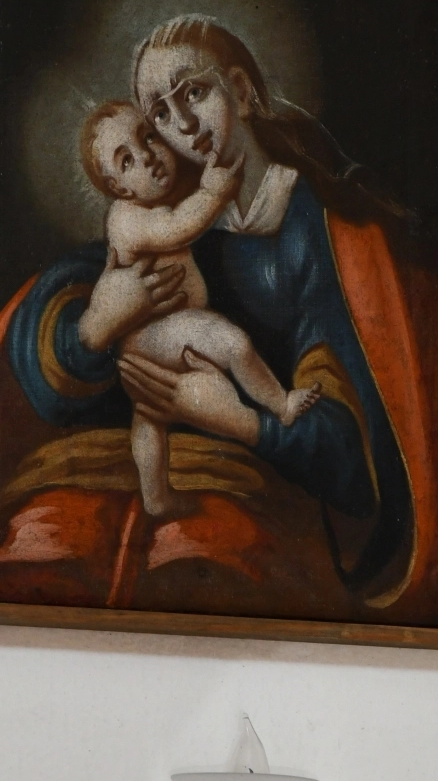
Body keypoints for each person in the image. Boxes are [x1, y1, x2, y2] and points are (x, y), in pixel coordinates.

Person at [0, 15, 437, 618]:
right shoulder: (173, 206)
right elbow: (45, 334)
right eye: (161, 115)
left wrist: (240, 423)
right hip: (179, 465)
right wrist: (99, 323)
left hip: (261, 482)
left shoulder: (314, 225)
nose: (184, 126)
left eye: (194, 93)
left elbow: (351, 461)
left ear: (241, 91)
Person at [80, 98, 321, 517]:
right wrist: (214, 192)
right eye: (127, 160)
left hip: (162, 336)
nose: (147, 156)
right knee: (233, 344)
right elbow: (179, 228)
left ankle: (156, 497)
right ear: (120, 188)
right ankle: (281, 405)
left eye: (148, 137)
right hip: (155, 334)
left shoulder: (152, 199)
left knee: (150, 418)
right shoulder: (127, 219)